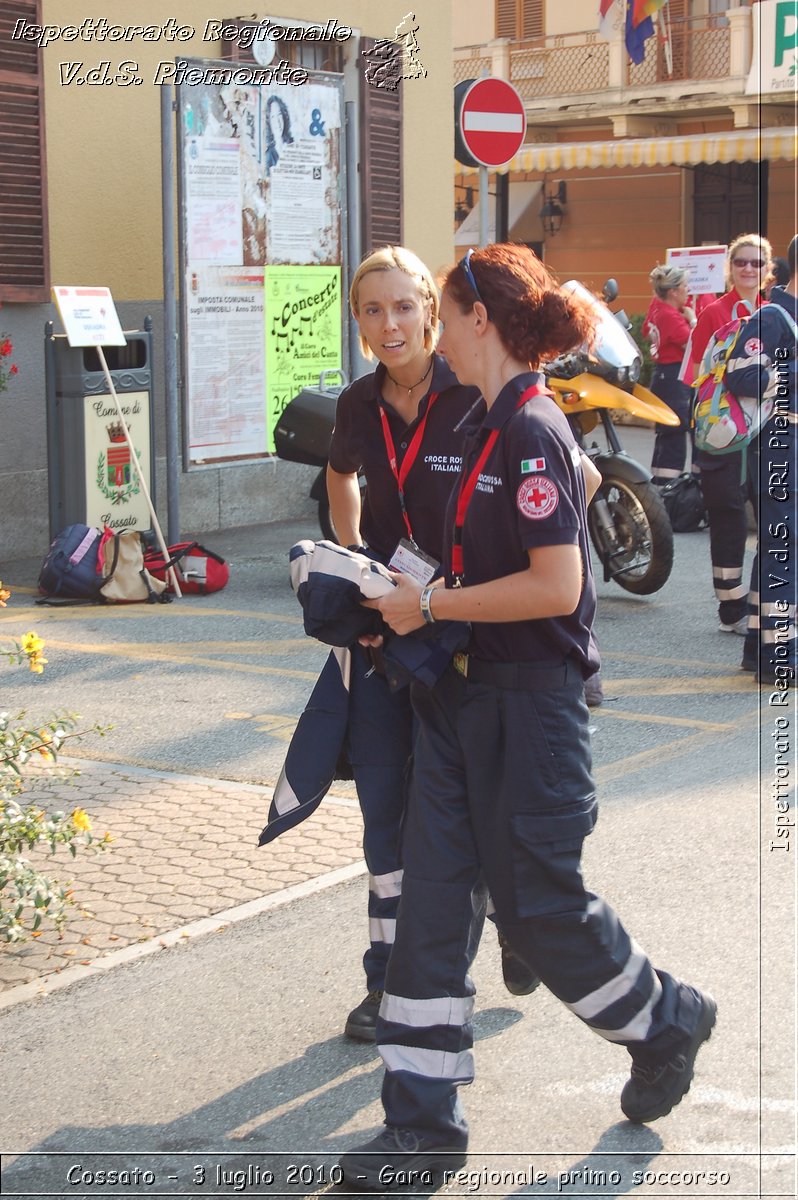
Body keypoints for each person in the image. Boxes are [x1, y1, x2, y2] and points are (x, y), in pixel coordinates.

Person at [339, 244, 716, 1189]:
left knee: (541, 914)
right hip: (454, 699)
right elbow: (465, 537)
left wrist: (432, 606)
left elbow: (557, 584)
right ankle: (420, 1132)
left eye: (439, 313)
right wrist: (385, 586)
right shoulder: (474, 416)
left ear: (474, 320)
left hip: (532, 709)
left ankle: (667, 1020)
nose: (422, 335)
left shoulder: (533, 426)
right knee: (429, 909)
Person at [326, 246, 548, 1042]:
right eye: (371, 312)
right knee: (386, 816)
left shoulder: (474, 389)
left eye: (404, 308)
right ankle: (385, 980)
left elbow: (571, 479)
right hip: (391, 633)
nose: (390, 325)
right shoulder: (357, 404)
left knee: (465, 809)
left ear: (431, 309)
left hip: (468, 637)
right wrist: (353, 558)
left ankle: (517, 925)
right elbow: (342, 473)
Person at [687, 234, 772, 635]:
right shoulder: (712, 312)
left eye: (756, 263)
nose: (748, 269)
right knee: (727, 516)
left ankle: (763, 604)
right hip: (722, 433)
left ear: (767, 269)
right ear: (730, 266)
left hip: (767, 433)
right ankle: (731, 608)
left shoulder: (774, 312)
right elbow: (692, 375)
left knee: (773, 514)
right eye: (741, 262)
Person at [726, 234, 797, 684]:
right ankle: (779, 659)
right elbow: (740, 372)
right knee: (784, 547)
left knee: (778, 546)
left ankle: (758, 647)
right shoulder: (773, 316)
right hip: (777, 446)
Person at [643, 265, 696, 486]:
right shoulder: (670, 317)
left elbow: (646, 330)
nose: (688, 290)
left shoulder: (657, 310)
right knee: (675, 437)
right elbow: (695, 346)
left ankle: (659, 487)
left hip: (663, 377)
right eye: (684, 286)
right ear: (673, 291)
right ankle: (669, 492)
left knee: (666, 435)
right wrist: (692, 319)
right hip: (674, 378)